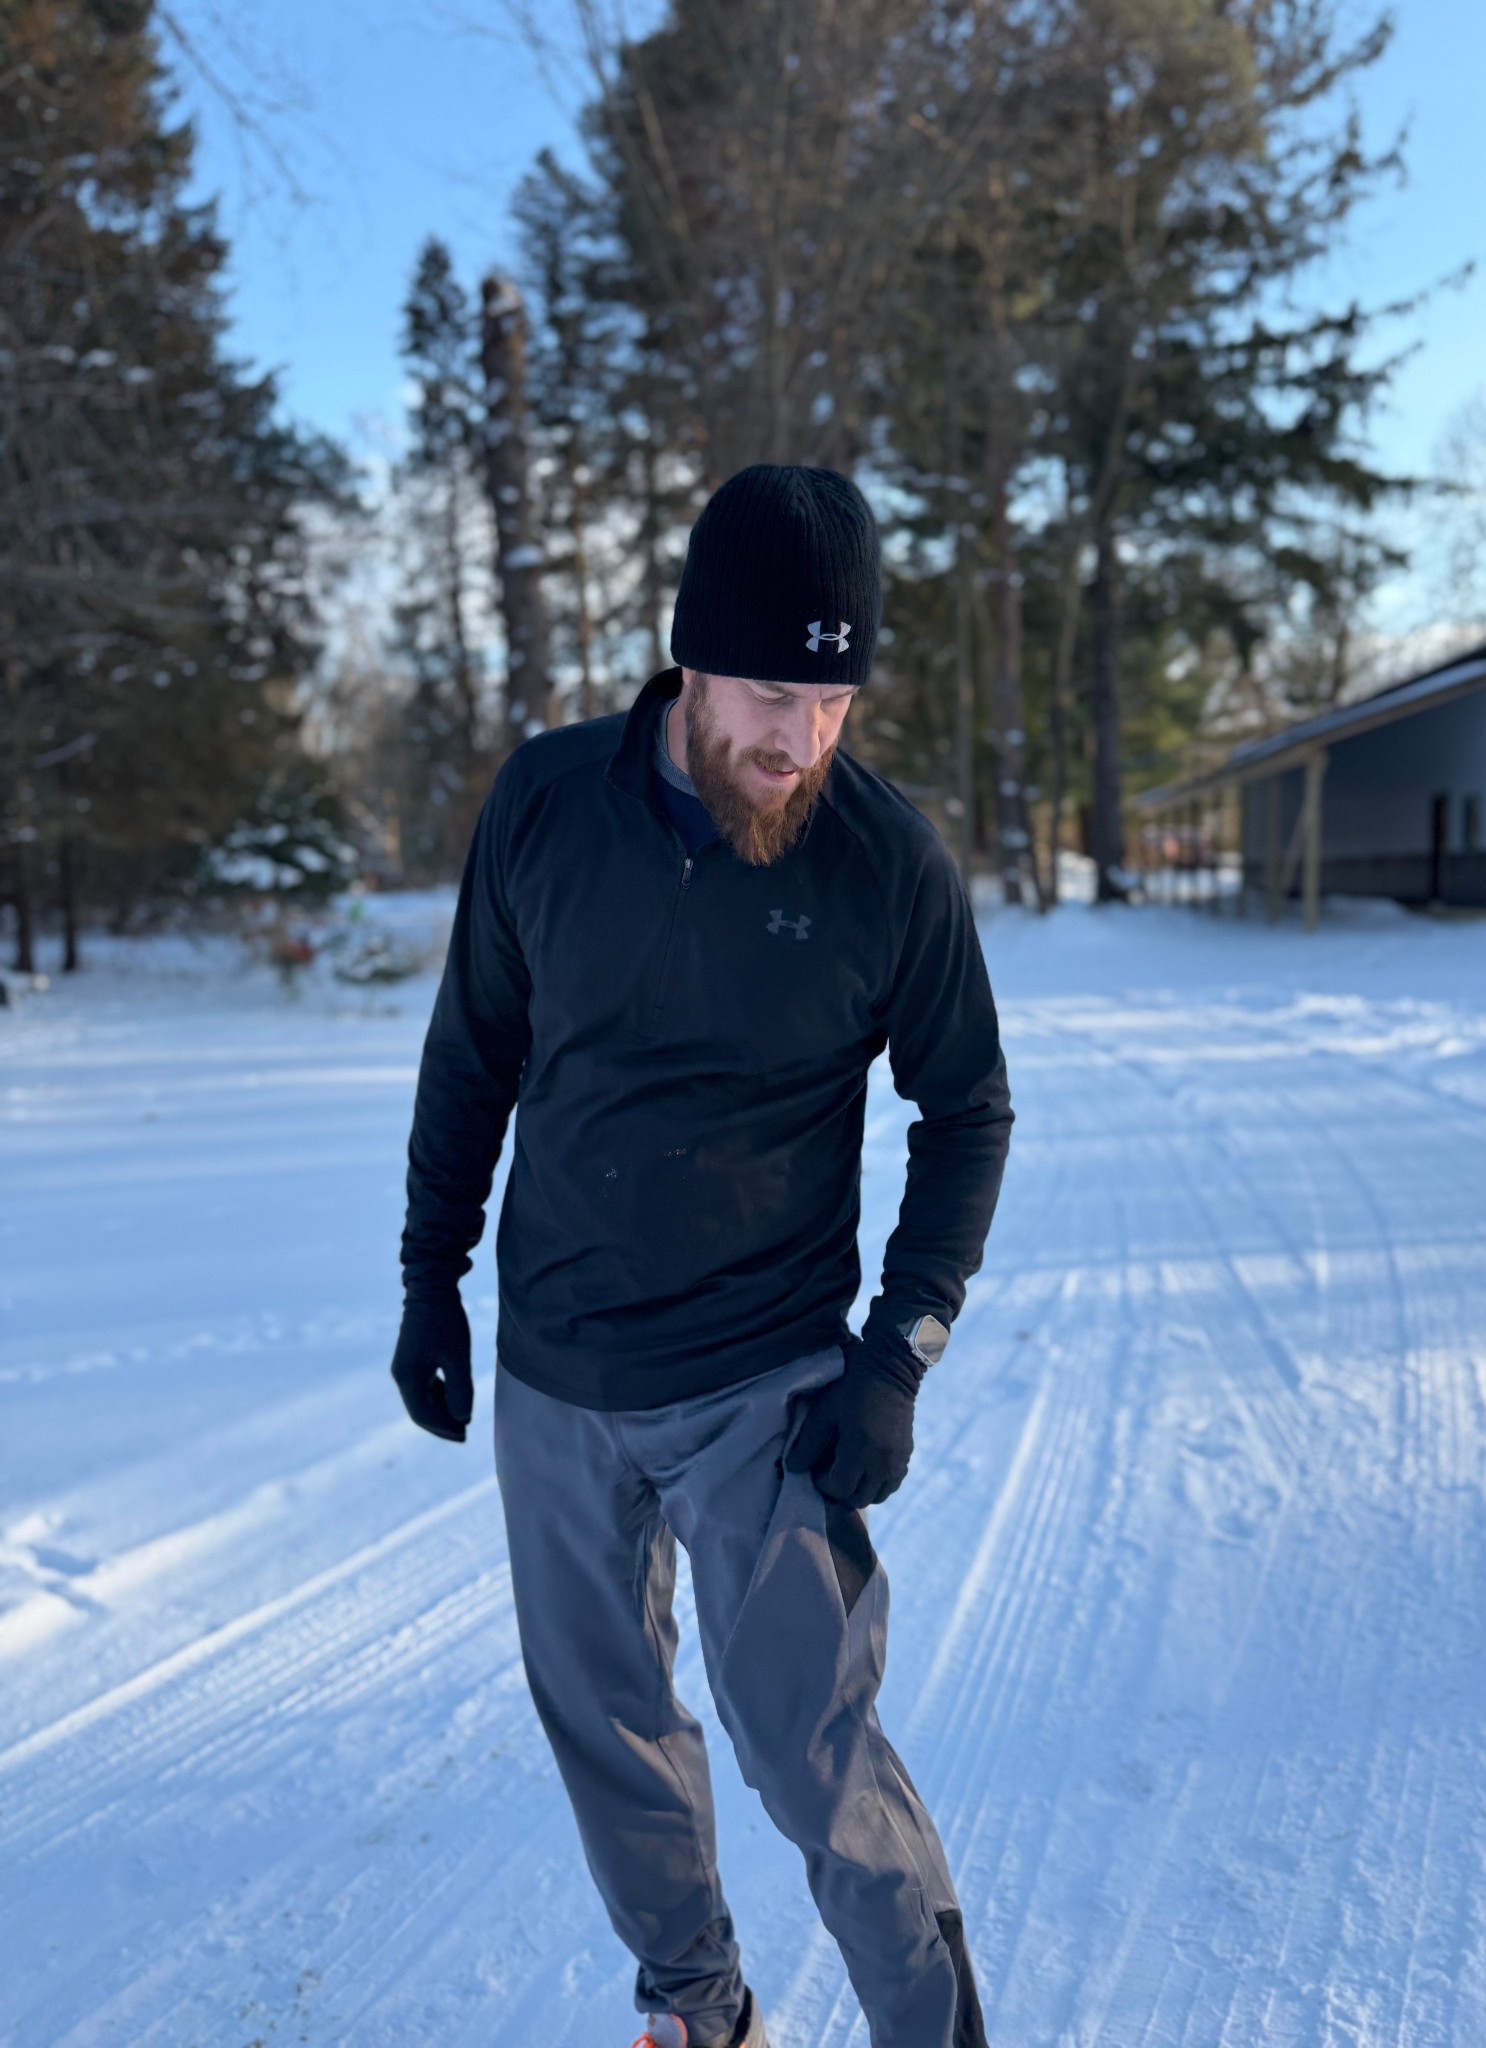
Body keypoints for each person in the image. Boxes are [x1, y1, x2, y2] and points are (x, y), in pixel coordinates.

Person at [390, 463, 1013, 2048]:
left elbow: (969, 1111)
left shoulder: (885, 864)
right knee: (605, 1727)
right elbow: (471, 1056)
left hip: (767, 1383)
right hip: (560, 1375)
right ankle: (696, 2011)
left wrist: (899, 1354)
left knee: (815, 1751)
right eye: (763, 691)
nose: (797, 738)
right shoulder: (543, 805)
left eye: (832, 694)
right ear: (684, 658)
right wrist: (428, 1278)